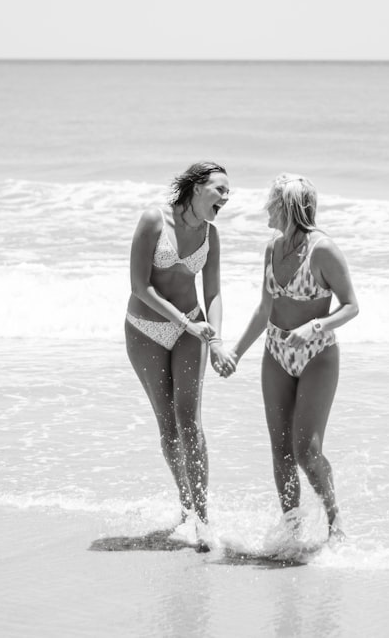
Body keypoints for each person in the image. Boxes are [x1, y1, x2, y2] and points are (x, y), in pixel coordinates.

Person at [223, 173, 359, 541]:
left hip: (317, 356)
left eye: (271, 202)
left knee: (306, 451)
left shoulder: (323, 250)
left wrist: (316, 327)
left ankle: (335, 525)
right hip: (276, 352)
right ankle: (292, 531)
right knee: (280, 450)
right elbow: (265, 306)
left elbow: (351, 307)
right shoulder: (272, 249)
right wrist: (235, 353)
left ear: (286, 207)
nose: (266, 208)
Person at [125, 161, 235, 549]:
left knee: (190, 421)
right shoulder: (155, 220)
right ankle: (185, 506)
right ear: (195, 187)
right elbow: (139, 286)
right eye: (219, 189)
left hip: (192, 327)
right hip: (146, 329)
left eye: (227, 192)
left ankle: (202, 519)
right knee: (168, 426)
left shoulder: (211, 235)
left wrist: (216, 340)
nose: (226, 196)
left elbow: (214, 293)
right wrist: (182, 323)